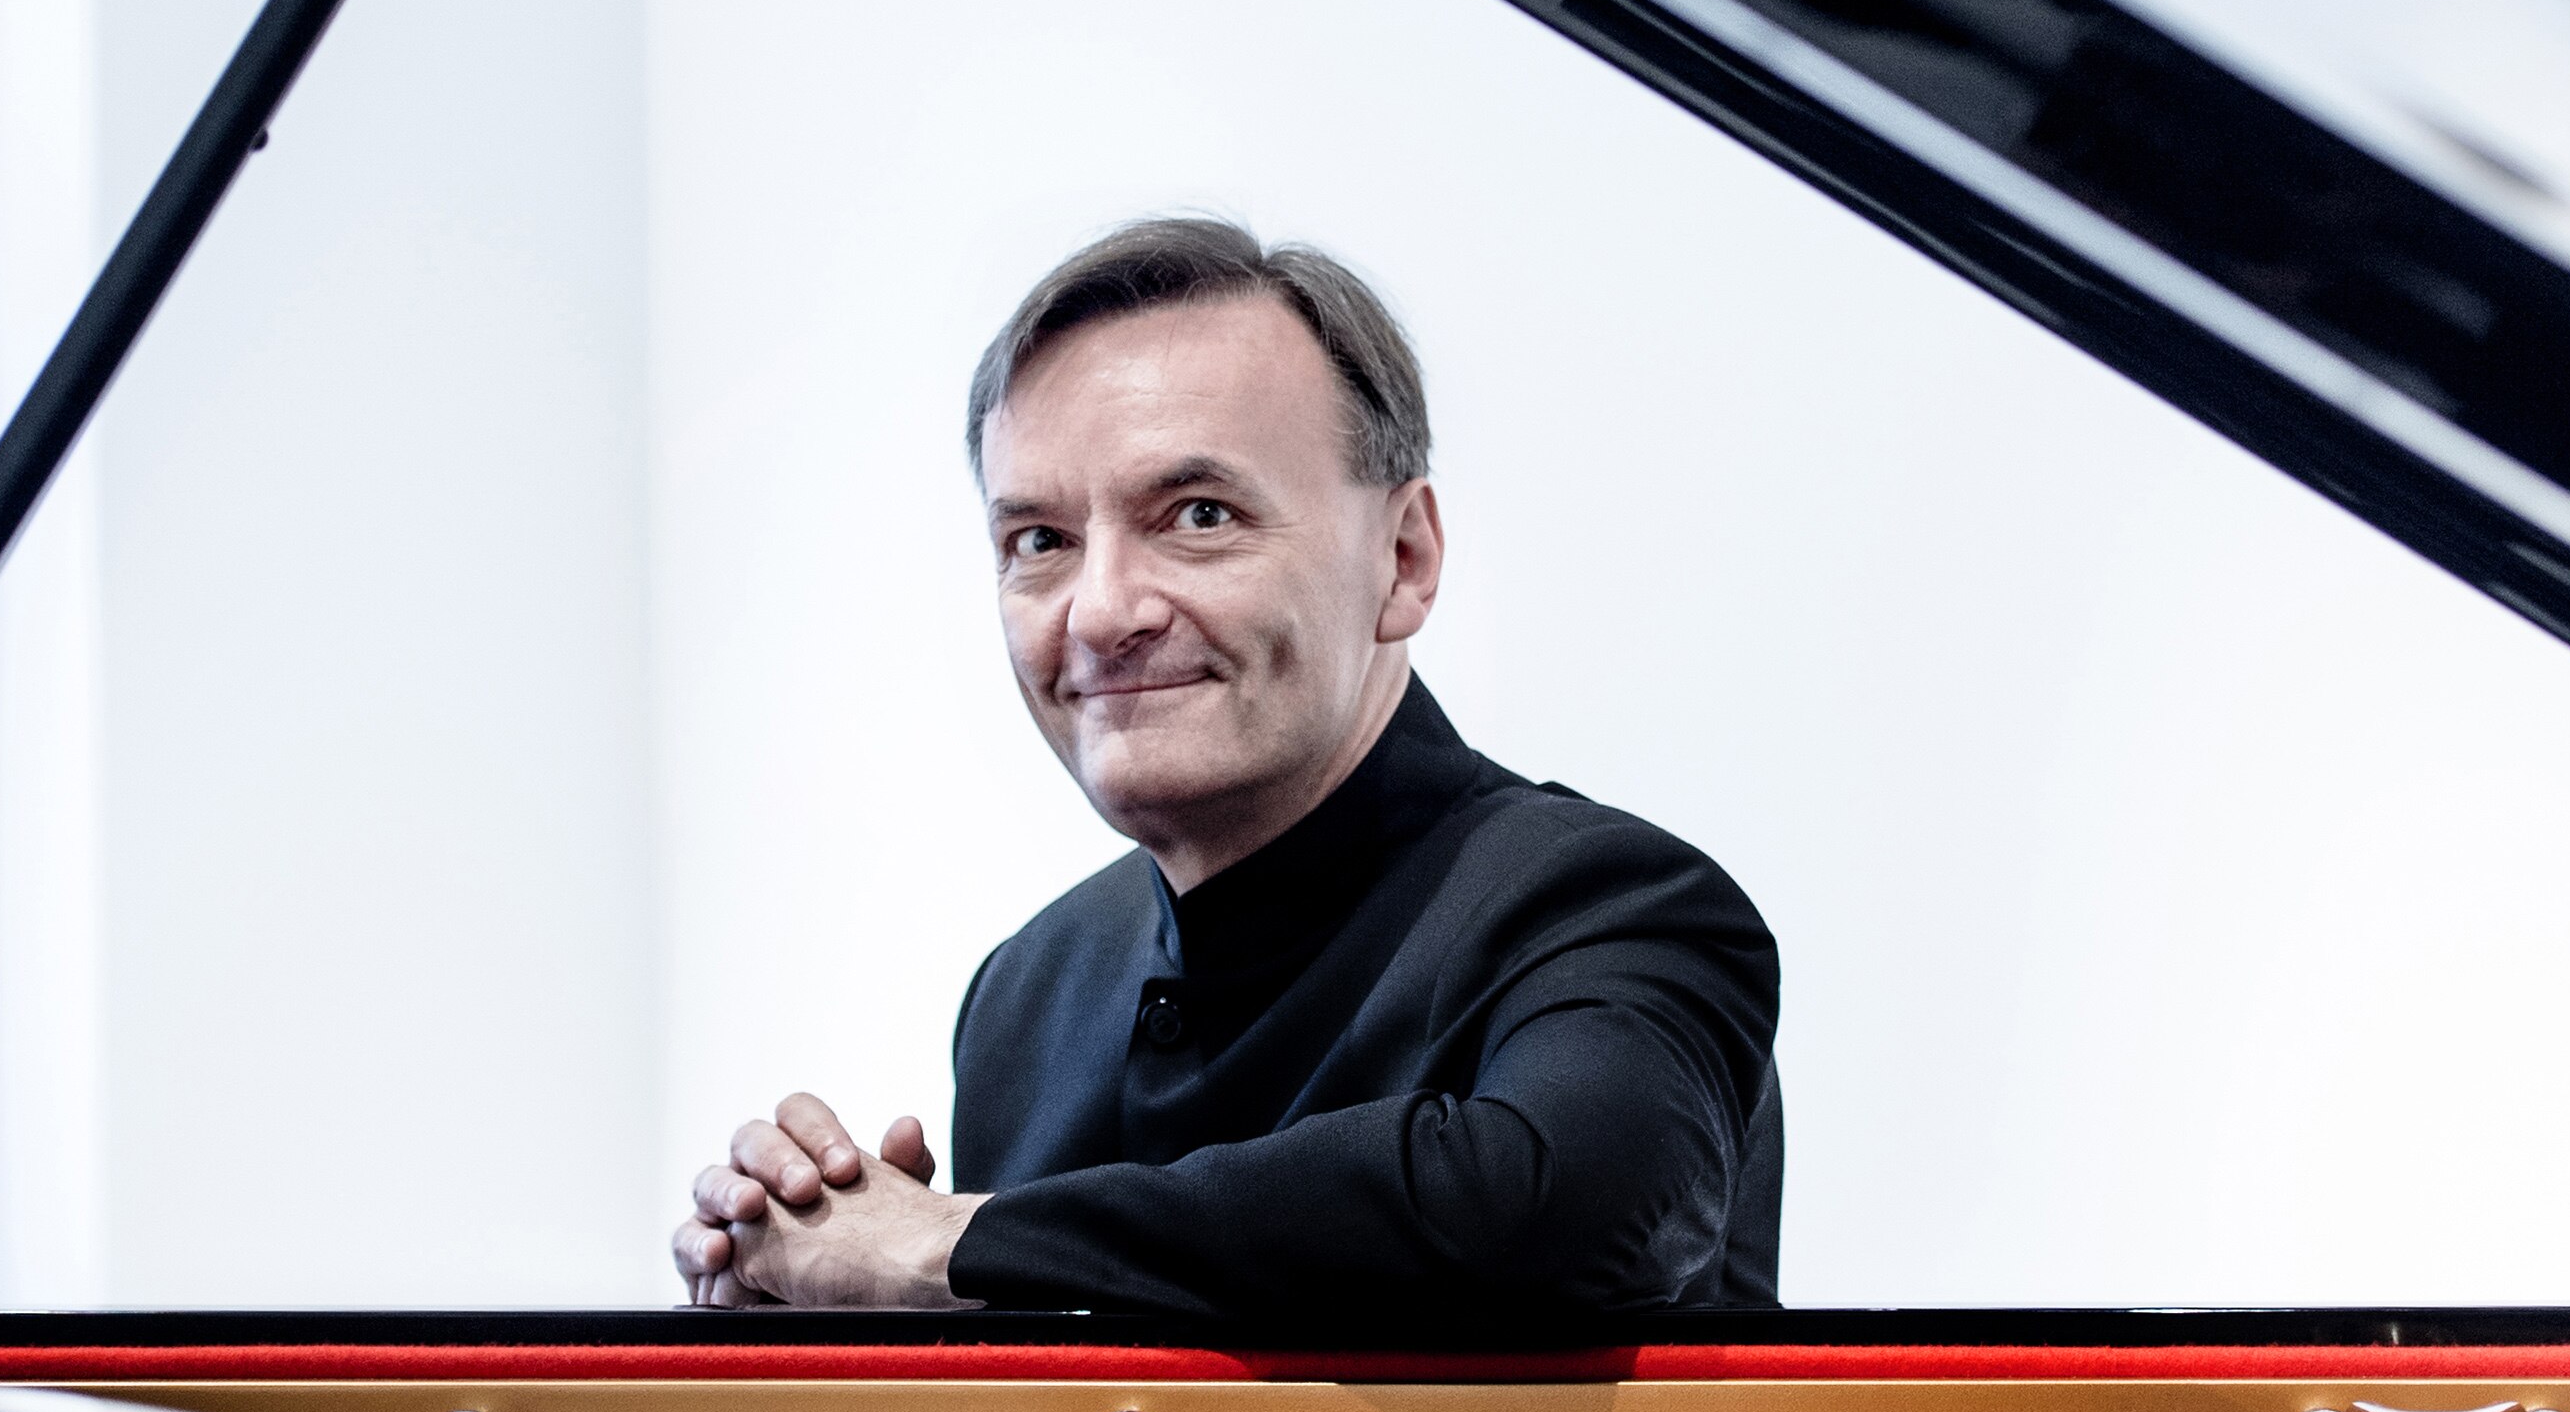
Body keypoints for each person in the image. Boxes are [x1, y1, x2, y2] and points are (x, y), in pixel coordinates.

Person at [672, 216, 1780, 1336]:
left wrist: (953, 1243)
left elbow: (1551, 1207)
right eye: (1040, 541)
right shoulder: (1027, 994)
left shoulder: (1615, 905)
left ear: (1404, 559)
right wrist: (819, 1295)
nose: (1102, 611)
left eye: (1199, 516)